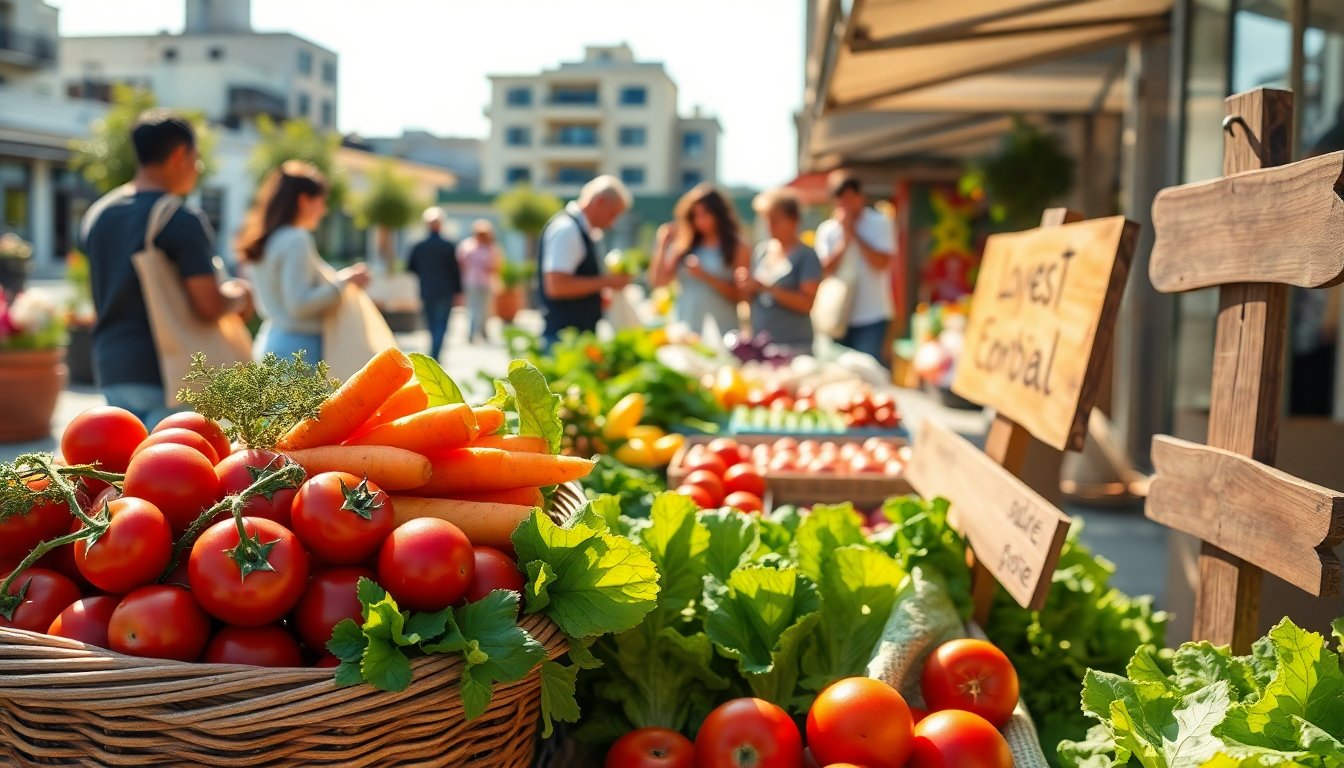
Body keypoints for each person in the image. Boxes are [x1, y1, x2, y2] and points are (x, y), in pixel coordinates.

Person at [81, 109, 252, 427]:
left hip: (111, 367)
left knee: (124, 458)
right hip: (168, 374)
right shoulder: (179, 219)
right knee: (171, 458)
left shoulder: (98, 214)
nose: (197, 169)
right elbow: (208, 305)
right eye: (196, 159)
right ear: (179, 156)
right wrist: (240, 296)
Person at [237, 161, 370, 362]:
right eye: (321, 201)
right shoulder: (296, 239)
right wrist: (345, 281)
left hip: (271, 342)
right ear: (304, 200)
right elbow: (299, 303)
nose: (324, 210)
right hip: (297, 350)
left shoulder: (267, 239)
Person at [537, 175, 633, 345]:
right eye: (612, 214)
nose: (612, 223)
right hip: (563, 339)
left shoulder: (584, 231)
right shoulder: (567, 230)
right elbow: (556, 286)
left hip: (576, 336)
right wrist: (608, 282)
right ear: (600, 202)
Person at [814, 171, 898, 363]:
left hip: (872, 315)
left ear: (861, 197)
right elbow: (824, 270)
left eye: (850, 198)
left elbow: (882, 263)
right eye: (841, 199)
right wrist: (844, 241)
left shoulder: (880, 223)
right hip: (836, 316)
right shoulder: (828, 230)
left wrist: (854, 233)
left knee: (868, 369)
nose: (846, 204)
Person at [650, 183, 750, 338]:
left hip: (723, 332)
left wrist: (705, 276)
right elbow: (659, 282)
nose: (699, 221)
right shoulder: (683, 246)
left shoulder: (737, 246)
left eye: (705, 214)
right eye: (694, 215)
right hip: (685, 329)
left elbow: (742, 296)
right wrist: (663, 245)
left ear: (719, 214)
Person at [737, 188, 822, 351]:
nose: (770, 226)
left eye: (775, 220)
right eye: (767, 220)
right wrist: (747, 286)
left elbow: (806, 303)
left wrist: (766, 288)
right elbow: (750, 298)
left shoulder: (806, 256)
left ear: (794, 220)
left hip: (793, 346)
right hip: (761, 344)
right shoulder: (762, 251)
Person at [407, 208, 462, 360]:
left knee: (431, 324)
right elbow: (455, 271)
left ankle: (434, 352)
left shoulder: (419, 246)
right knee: (441, 324)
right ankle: (435, 354)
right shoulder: (448, 245)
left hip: (427, 289)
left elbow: (411, 267)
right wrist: (458, 291)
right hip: (445, 290)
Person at [457, 219, 502, 344]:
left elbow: (496, 266)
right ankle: (474, 332)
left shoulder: (488, 247)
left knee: (483, 308)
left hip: (481, 281)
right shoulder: (470, 246)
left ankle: (481, 331)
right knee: (475, 308)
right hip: (474, 281)